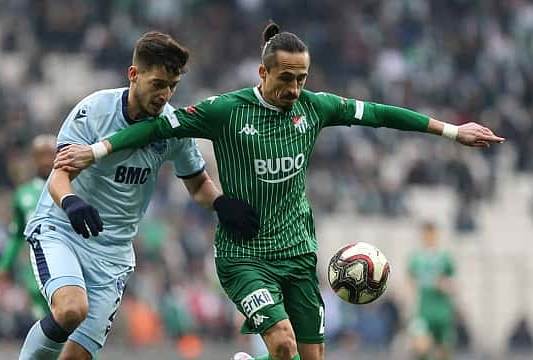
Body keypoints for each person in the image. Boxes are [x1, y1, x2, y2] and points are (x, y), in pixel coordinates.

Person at [54, 22, 505, 360]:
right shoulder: (225, 111)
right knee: (284, 344)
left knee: (307, 357)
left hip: (297, 253)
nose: (294, 88)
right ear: (262, 71)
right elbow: (154, 127)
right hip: (244, 256)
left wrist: (451, 131)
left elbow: (382, 115)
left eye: (302, 78)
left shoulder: (316, 108)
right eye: (285, 78)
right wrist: (95, 151)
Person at [18, 31, 259, 360]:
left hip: (113, 254)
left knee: (77, 356)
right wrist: (72, 202)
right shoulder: (94, 111)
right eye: (158, 83)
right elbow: (59, 177)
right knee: (71, 309)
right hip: (63, 231)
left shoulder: (173, 127)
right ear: (134, 74)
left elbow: (197, 183)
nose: (165, 94)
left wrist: (219, 203)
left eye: (172, 86)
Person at [0, 134, 56, 320]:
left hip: (66, 265)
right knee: (45, 324)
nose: (46, 161)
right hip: (35, 271)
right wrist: (4, 265)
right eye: (41, 155)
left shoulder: (73, 188)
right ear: (34, 159)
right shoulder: (23, 194)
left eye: (50, 155)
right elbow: (16, 234)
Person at [408, 222, 456, 360]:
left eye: (432, 234)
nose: (429, 237)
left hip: (442, 311)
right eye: (426, 234)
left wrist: (443, 286)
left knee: (444, 352)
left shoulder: (444, 258)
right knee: (420, 347)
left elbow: (453, 285)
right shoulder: (416, 258)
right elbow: (410, 282)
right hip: (423, 310)